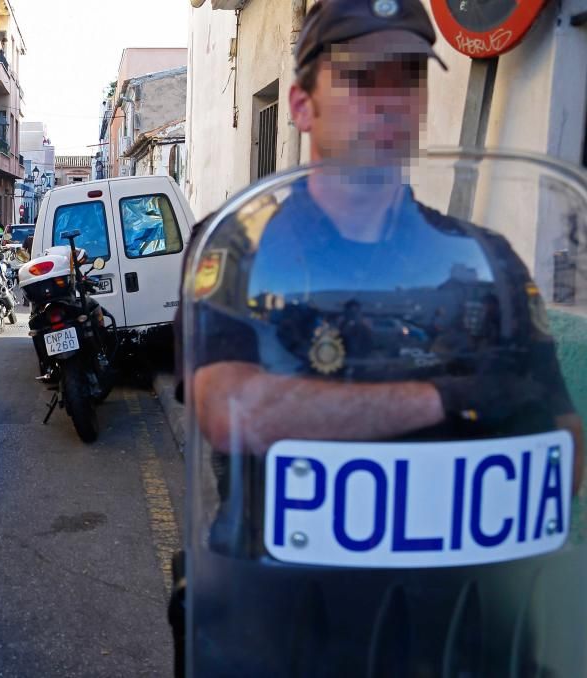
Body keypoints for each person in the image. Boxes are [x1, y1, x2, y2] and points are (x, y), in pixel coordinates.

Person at [174, 0, 585, 672]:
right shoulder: (242, 248)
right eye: (364, 79)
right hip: (287, 619)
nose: (391, 101)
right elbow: (231, 411)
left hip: (459, 622)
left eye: (409, 77)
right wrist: (448, 400)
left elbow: (565, 451)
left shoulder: (481, 263)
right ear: (302, 106)